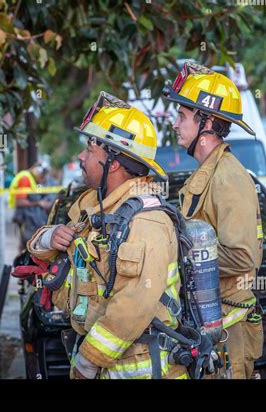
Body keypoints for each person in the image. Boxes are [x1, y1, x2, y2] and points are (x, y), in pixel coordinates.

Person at [26, 92, 188, 379]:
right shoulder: (90, 204)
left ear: (112, 162)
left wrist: (88, 361)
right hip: (103, 361)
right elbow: (56, 252)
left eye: (90, 150)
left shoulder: (147, 222)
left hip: (139, 367)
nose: (80, 156)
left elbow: (135, 303)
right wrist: (48, 238)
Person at [163, 61, 264, 379]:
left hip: (228, 336)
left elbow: (242, 255)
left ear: (206, 121)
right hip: (209, 328)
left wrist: (176, 260)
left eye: (182, 116)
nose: (175, 124)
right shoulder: (207, 174)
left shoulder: (228, 177)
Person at [8, 161, 52, 250]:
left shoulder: (31, 178)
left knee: (29, 244)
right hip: (24, 217)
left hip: (29, 218)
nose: (42, 180)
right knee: (27, 245)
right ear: (37, 172)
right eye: (42, 177)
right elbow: (19, 202)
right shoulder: (25, 178)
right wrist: (39, 203)